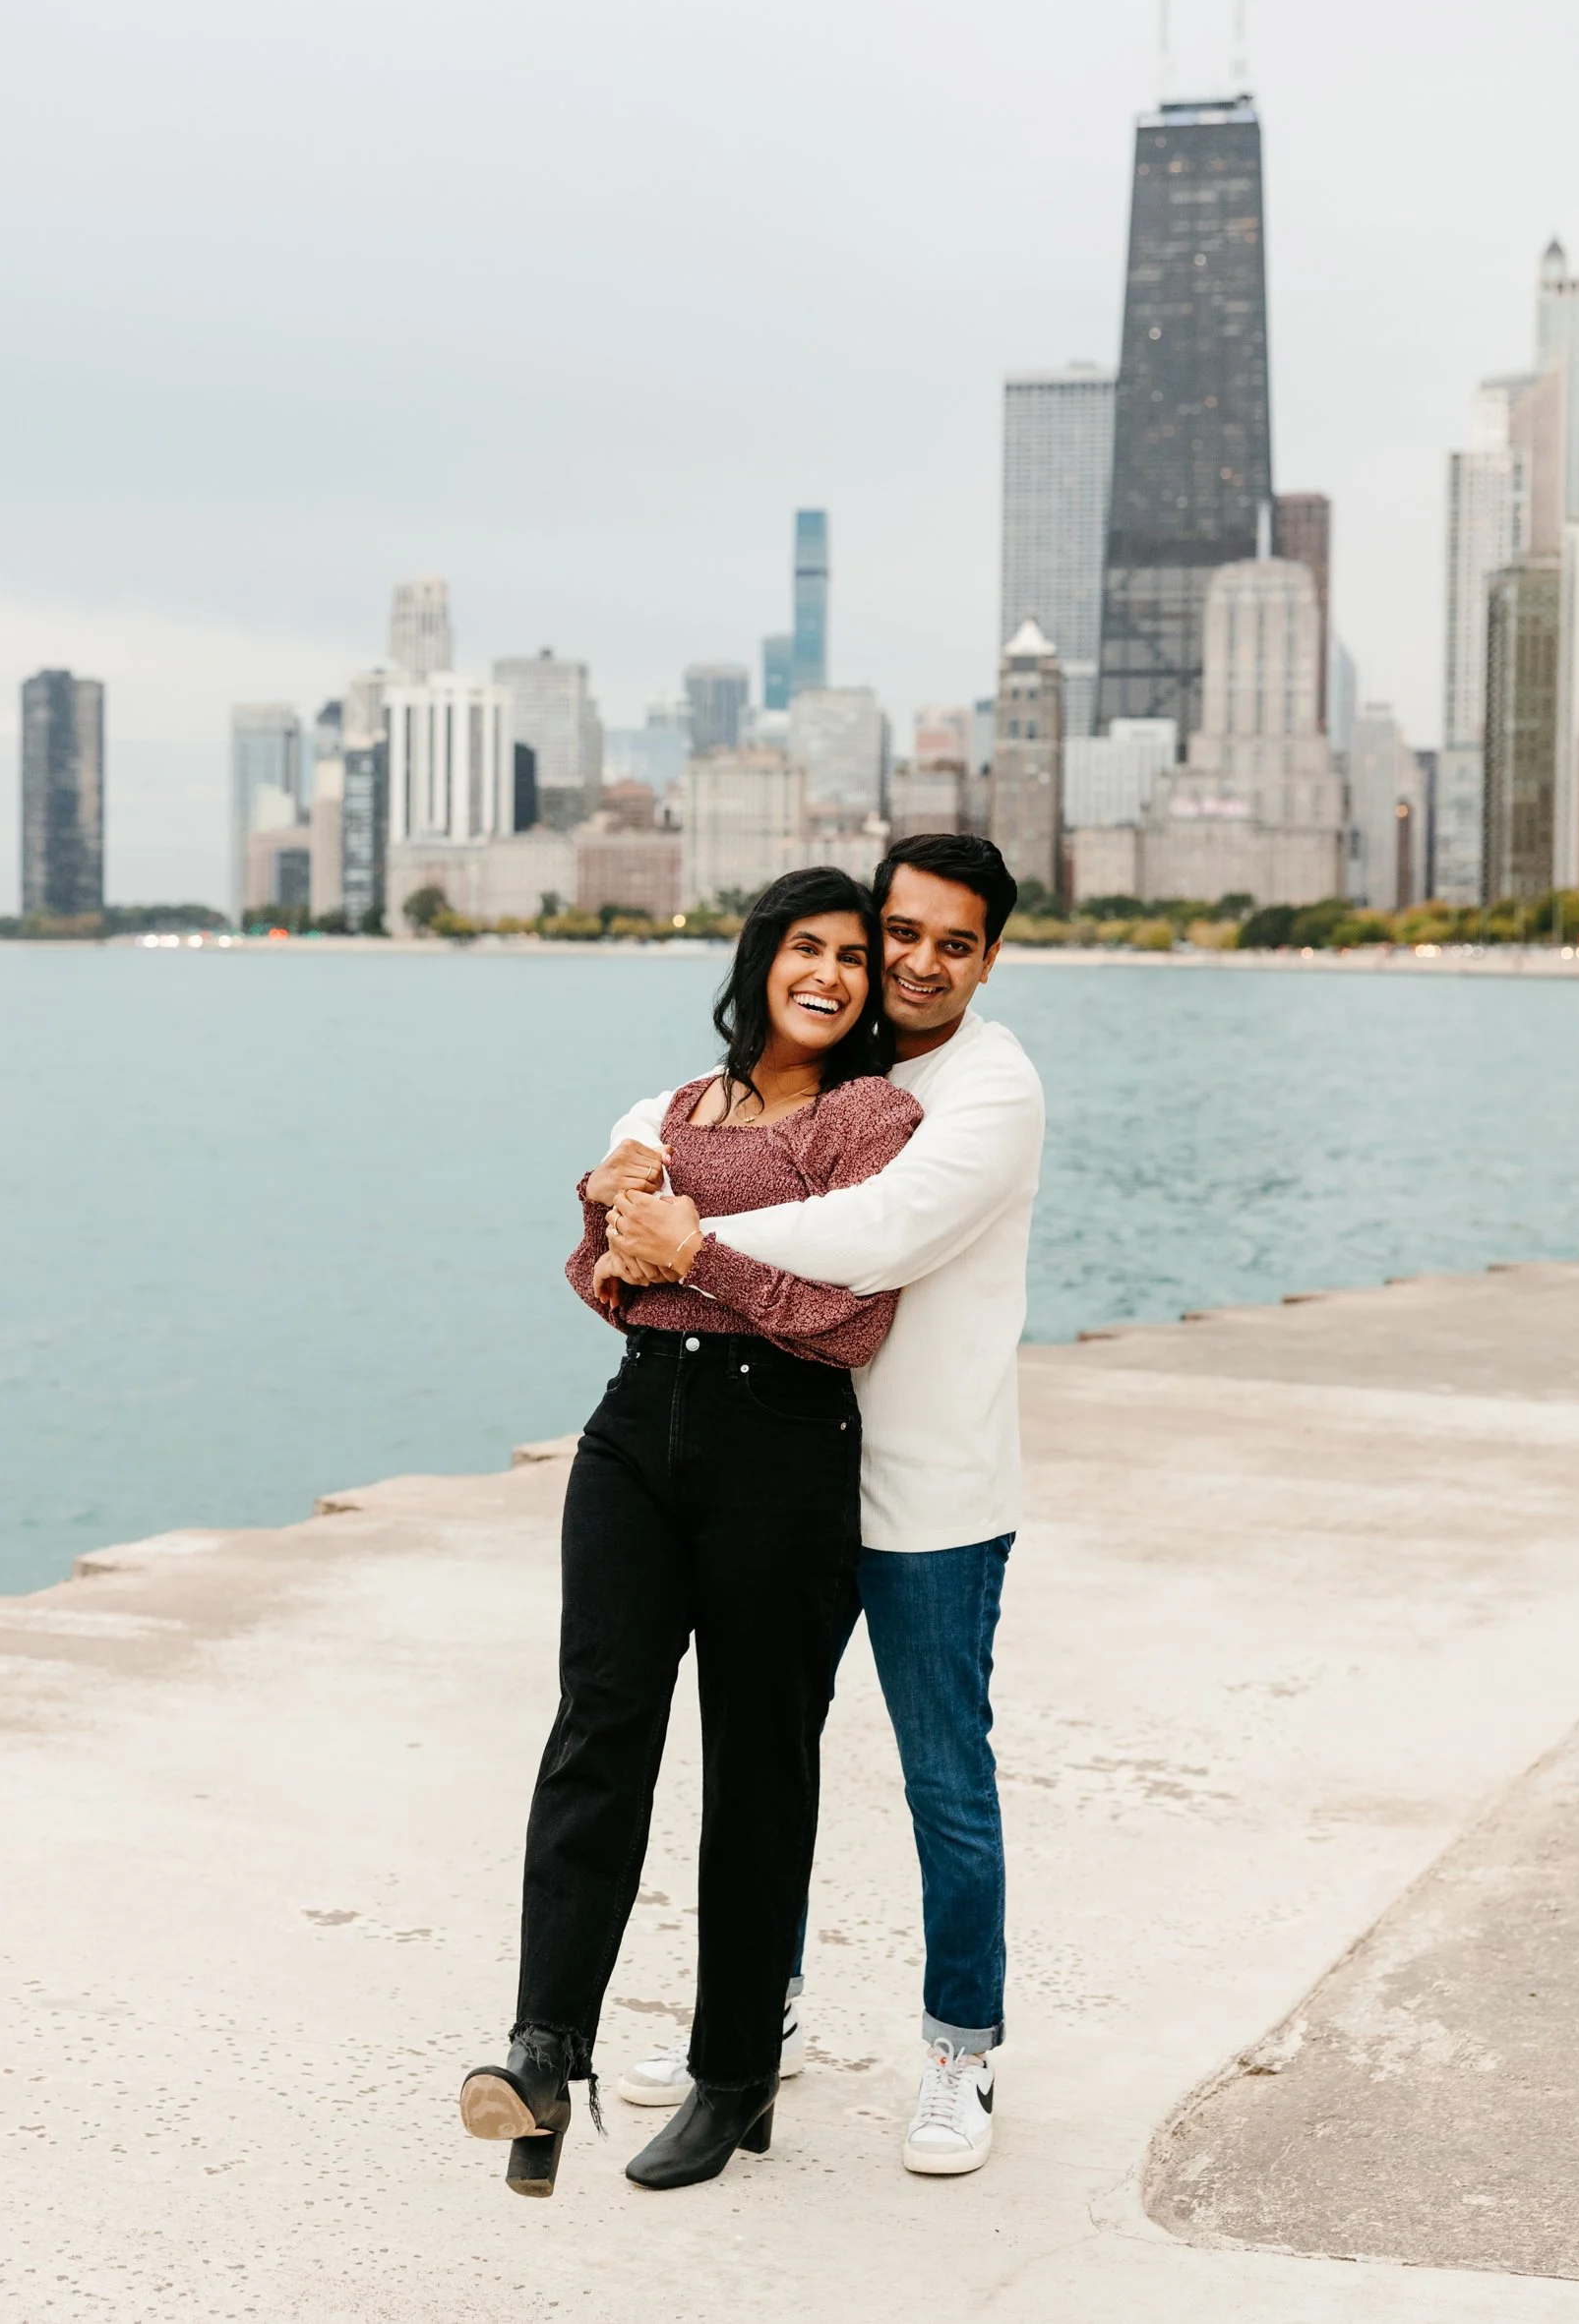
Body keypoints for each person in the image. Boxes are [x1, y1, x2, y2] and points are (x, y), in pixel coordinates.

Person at [458, 868, 922, 2196]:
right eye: (803, 948)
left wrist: (691, 1244)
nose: (827, 974)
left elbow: (848, 1316)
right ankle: (544, 2052)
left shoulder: (866, 1119)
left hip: (781, 1445)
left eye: (851, 957)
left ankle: (731, 2077)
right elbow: (602, 1283)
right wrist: (609, 1222)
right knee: (597, 1728)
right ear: (759, 957)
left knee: (757, 1763)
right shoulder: (669, 1110)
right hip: (633, 1429)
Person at [604, 834, 1042, 2177]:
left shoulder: (990, 1086)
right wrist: (626, 1175)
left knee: (941, 1782)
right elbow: (679, 1117)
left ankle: (958, 2053)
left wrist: (685, 1244)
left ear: (986, 956)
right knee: (758, 1767)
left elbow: (880, 1241)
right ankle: (756, 2013)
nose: (913, 962)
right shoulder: (835, 1058)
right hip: (782, 1475)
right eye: (895, 931)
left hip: (926, 1495)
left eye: (949, 943)